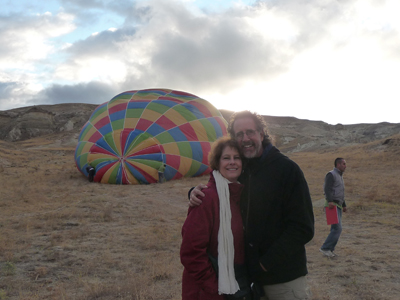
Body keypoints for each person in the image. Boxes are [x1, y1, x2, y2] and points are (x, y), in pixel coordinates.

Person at [189, 111, 315, 300]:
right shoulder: (242, 168)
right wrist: (194, 191)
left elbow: (303, 227)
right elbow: (219, 187)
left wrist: (265, 263)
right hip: (249, 279)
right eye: (239, 134)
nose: (245, 138)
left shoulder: (287, 170)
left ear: (261, 134)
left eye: (250, 132)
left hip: (283, 279)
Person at [180, 137, 251, 300]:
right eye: (226, 158)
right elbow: (191, 252)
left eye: (237, 158)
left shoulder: (241, 196)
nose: (232, 162)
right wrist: (214, 289)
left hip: (237, 285)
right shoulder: (206, 198)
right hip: (209, 292)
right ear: (217, 163)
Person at [319, 158, 347, 258]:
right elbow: (327, 189)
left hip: (338, 205)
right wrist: (330, 201)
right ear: (338, 164)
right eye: (344, 164)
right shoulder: (331, 174)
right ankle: (325, 248)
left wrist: (344, 205)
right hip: (331, 206)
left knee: (335, 229)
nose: (345, 166)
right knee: (337, 228)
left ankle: (330, 250)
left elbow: (340, 192)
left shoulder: (339, 176)